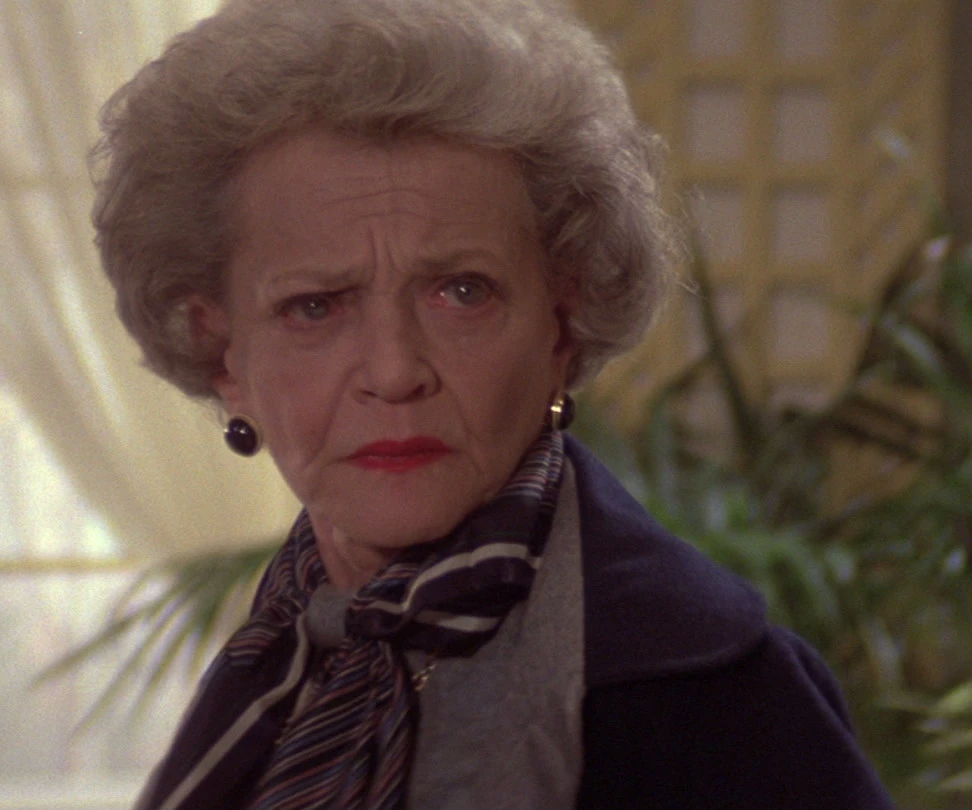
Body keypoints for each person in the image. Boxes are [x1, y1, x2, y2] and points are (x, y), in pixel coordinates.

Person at [91, 0, 896, 807]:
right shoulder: (277, 656)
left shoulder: (726, 700)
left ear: (562, 325)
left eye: (461, 292)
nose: (395, 372)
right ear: (224, 356)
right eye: (315, 307)